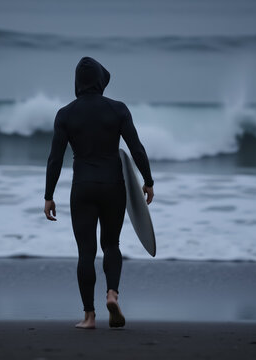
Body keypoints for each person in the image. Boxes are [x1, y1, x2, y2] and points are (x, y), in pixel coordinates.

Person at [44, 57, 154, 329]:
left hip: (82, 187)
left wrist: (48, 195)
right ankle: (112, 294)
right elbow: (136, 148)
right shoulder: (117, 110)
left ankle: (89, 316)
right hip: (113, 186)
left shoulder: (65, 114)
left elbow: (54, 159)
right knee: (111, 244)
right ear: (100, 81)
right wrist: (148, 180)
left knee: (86, 252)